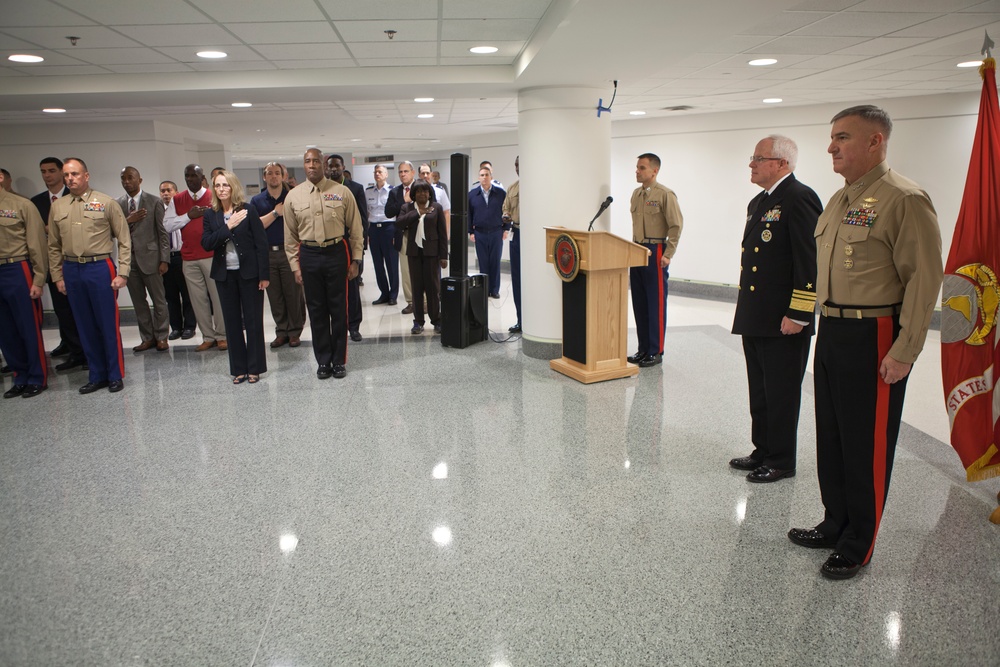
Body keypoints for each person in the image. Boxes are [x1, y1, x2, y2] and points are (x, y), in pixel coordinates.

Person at [788, 105, 943, 580]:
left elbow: (924, 279)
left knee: (866, 443)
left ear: (875, 142)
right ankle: (836, 522)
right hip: (833, 329)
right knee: (832, 436)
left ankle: (859, 542)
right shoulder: (838, 201)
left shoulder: (904, 199)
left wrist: (905, 349)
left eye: (843, 137)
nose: (831, 146)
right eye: (832, 138)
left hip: (875, 333)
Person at [729, 136, 821, 483]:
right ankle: (763, 450)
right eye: (752, 157)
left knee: (781, 392)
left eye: (758, 158)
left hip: (785, 319)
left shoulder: (799, 198)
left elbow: (808, 261)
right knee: (762, 389)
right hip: (757, 315)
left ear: (782, 164)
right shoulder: (760, 201)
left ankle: (781, 459)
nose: (751, 164)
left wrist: (799, 313)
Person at [48, 157, 131, 394]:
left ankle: (114, 374)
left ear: (86, 176)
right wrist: (57, 275)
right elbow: (53, 245)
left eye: (74, 174)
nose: (70, 179)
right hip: (71, 269)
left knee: (107, 324)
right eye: (66, 175)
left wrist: (122, 272)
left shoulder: (105, 202)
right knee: (83, 325)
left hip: (99, 268)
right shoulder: (58, 206)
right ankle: (97, 374)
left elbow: (124, 240)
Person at [283, 148, 364, 380]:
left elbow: (356, 230)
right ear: (304, 164)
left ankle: (339, 360)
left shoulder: (342, 192)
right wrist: (295, 266)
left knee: (339, 310)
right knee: (316, 311)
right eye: (307, 161)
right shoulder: (294, 196)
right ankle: (323, 361)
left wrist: (356, 260)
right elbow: (290, 237)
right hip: (308, 255)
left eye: (316, 161)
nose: (311, 165)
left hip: (337, 253)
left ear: (323, 165)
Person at [202, 171, 270, 384]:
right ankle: (238, 369)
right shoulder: (210, 214)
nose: (221, 189)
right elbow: (207, 243)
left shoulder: (248, 210)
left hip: (249, 274)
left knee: (253, 321)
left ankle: (255, 368)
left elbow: (261, 244)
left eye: (225, 185)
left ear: (233, 187)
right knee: (231, 324)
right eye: (217, 185)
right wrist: (228, 226)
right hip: (225, 275)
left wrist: (264, 275)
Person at [627, 153, 683, 368]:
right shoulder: (636, 194)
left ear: (654, 170)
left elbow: (676, 225)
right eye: (637, 167)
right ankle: (643, 350)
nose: (637, 171)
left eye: (642, 168)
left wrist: (668, 253)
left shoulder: (665, 194)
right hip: (637, 249)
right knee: (640, 302)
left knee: (655, 303)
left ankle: (655, 350)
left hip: (656, 249)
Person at [163, 164, 227, 352]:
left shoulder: (213, 195)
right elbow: (167, 225)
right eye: (187, 176)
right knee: (198, 300)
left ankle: (222, 336)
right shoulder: (178, 199)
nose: (190, 179)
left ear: (202, 177)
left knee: (218, 298)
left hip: (212, 256)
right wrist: (187, 217)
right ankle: (208, 337)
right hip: (189, 258)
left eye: (193, 175)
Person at [31, 157, 85, 370]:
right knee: (63, 311)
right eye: (43, 171)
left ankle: (88, 352)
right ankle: (75, 352)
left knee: (81, 310)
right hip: (53, 265)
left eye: (52, 171)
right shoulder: (36, 202)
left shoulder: (75, 197)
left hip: (77, 262)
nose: (47, 175)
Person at [0, 176, 48, 398]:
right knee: (5, 332)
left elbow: (37, 244)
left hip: (17, 269)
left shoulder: (21, 205)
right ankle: (20, 376)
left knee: (27, 328)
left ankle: (37, 377)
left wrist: (38, 279)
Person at [251, 161, 305, 349]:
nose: (273, 176)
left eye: (277, 173)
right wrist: (275, 213)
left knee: (293, 294)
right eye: (269, 173)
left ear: (283, 176)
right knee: (274, 296)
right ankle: (281, 331)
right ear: (264, 177)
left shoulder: (292, 196)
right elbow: (256, 227)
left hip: (289, 252)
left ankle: (295, 332)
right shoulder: (257, 201)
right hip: (267, 254)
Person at [117, 167, 170, 352]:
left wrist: (165, 259)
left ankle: (162, 336)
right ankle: (147, 338)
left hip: (152, 259)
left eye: (130, 178)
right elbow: (111, 232)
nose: (126, 181)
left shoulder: (154, 201)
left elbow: (163, 234)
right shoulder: (118, 204)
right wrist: (127, 220)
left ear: (140, 180)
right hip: (128, 261)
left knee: (159, 300)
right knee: (139, 302)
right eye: (123, 178)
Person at [325, 154, 368, 342]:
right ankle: (337, 326)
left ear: (343, 167)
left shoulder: (355, 189)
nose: (333, 169)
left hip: (349, 245)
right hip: (329, 246)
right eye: (330, 166)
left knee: (351, 287)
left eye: (337, 165)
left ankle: (354, 326)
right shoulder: (322, 189)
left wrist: (360, 249)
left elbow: (362, 221)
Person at [396, 182, 448, 335]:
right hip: (414, 253)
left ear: (429, 193)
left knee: (433, 288)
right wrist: (418, 213)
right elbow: (399, 223)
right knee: (416, 289)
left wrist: (443, 256)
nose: (421, 194)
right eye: (418, 191)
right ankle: (418, 322)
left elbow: (442, 234)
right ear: (413, 194)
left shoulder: (436, 207)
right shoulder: (407, 208)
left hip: (432, 254)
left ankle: (436, 320)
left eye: (425, 191)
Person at [159, 180, 196, 340]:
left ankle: (189, 326)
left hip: (183, 256)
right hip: (167, 258)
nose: (166, 194)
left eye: (169, 190)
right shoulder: (159, 212)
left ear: (176, 192)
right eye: (163, 191)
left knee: (187, 293)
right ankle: (176, 327)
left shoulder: (184, 210)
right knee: (170, 295)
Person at [468, 166, 508, 299]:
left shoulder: (500, 193)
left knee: (495, 261)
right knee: (483, 262)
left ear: (491, 176)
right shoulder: (472, 195)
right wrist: (470, 232)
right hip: (480, 233)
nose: (484, 177)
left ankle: (494, 289)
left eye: (486, 175)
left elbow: (506, 211)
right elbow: (469, 214)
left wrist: (506, 228)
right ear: (479, 178)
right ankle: (484, 289)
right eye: (482, 175)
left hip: (496, 231)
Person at [384, 161, 418, 315]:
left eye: (405, 171)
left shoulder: (422, 188)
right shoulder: (395, 192)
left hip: (421, 234)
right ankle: (411, 302)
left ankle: (424, 301)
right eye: (400, 172)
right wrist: (403, 202)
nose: (403, 174)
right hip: (403, 235)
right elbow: (389, 212)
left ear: (412, 172)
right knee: (406, 270)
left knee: (422, 269)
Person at [365, 164, 398, 306]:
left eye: (380, 172)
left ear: (386, 174)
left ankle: (393, 294)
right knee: (378, 264)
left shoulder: (393, 191)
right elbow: (366, 212)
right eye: (375, 172)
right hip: (373, 229)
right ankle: (384, 293)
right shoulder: (368, 192)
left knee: (391, 263)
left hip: (388, 228)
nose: (377, 174)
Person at [502, 156, 521, 332]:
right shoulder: (512, 187)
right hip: (517, 232)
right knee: (517, 278)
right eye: (515, 165)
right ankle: (520, 319)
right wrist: (506, 215)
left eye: (520, 164)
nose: (517, 168)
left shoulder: (538, 185)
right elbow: (505, 207)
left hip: (533, 235)